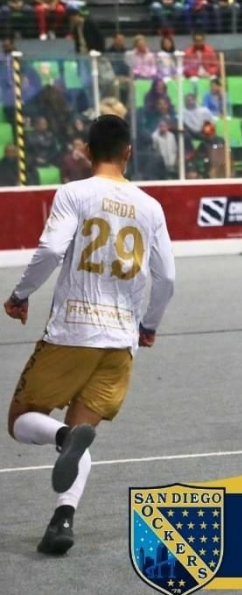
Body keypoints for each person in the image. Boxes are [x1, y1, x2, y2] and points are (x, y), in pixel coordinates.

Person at [3, 115, 177, 555]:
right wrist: (149, 324)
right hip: (120, 342)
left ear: (86, 150)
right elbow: (168, 278)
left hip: (72, 331)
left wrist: (20, 294)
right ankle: (62, 519)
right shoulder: (150, 206)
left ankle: (63, 439)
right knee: (83, 428)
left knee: (21, 421)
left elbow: (51, 249)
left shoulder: (74, 193)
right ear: (128, 152)